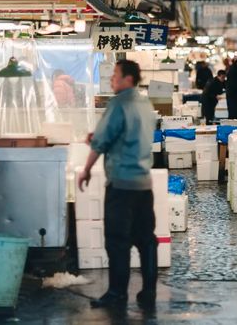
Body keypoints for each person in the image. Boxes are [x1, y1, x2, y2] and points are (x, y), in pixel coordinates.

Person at [78, 60, 158, 309]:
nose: (112, 79)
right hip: (144, 185)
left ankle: (117, 293)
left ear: (128, 79)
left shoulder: (118, 103)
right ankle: (149, 291)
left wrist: (86, 169)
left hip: (122, 185)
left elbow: (100, 142)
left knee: (117, 240)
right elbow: (129, 135)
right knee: (146, 240)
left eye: (115, 75)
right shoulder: (145, 104)